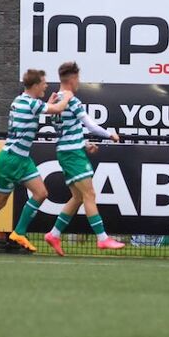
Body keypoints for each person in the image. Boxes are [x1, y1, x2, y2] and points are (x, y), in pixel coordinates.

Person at [0, 70, 74, 257]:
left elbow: (39, 110)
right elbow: (57, 110)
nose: (46, 86)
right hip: (12, 159)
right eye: (44, 83)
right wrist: (67, 97)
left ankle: (18, 232)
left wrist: (49, 104)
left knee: (41, 193)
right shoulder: (30, 103)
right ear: (35, 85)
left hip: (21, 158)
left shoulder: (21, 101)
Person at [43, 61, 124, 256]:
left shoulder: (54, 100)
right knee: (90, 195)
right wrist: (110, 134)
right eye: (78, 78)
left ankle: (53, 234)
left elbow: (67, 131)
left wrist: (84, 144)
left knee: (78, 197)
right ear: (72, 79)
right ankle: (103, 238)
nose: (79, 82)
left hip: (66, 151)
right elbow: (91, 126)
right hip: (72, 154)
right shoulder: (72, 100)